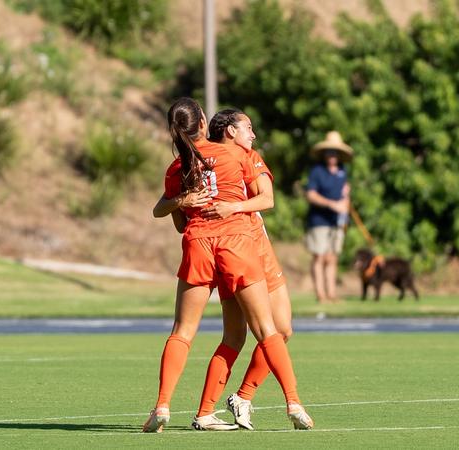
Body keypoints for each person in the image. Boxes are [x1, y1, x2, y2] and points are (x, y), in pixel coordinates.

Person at [143, 97, 313, 433]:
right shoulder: (237, 155)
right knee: (267, 329)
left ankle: (163, 406)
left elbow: (170, 218)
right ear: (204, 125)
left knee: (184, 331)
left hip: (199, 245)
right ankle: (293, 402)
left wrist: (182, 201)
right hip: (237, 245)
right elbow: (266, 197)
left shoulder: (178, 169)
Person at [304, 131, 353, 303]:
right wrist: (332, 204)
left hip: (337, 220)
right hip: (319, 220)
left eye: (335, 152)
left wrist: (345, 202)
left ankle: (331, 294)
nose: (332, 155)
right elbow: (311, 195)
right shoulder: (317, 171)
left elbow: (345, 193)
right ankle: (320, 294)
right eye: (329, 152)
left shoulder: (342, 171)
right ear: (325, 153)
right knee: (320, 256)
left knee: (332, 257)